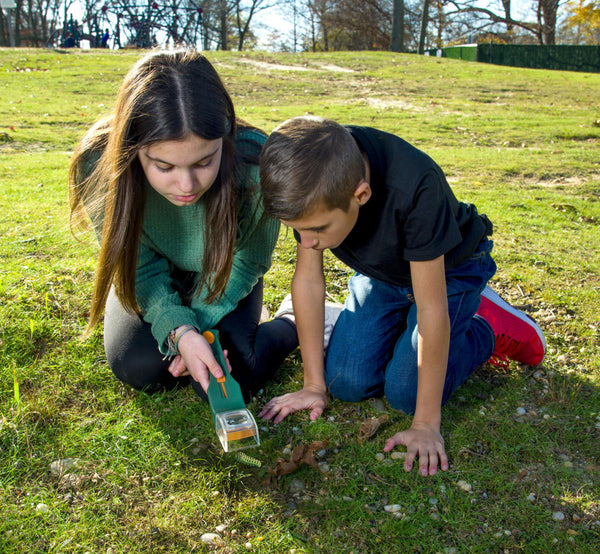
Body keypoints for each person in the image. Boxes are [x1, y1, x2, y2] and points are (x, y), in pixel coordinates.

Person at [258, 116, 546, 476]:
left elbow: (430, 308)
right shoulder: (311, 178)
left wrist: (426, 424)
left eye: (316, 230)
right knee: (346, 383)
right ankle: (394, 329)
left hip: (448, 272)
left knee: (405, 393)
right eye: (297, 231)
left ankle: (485, 327)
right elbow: (309, 281)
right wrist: (313, 385)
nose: (308, 241)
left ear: (360, 195)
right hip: (383, 273)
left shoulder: (415, 185)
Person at [68, 49, 298, 401]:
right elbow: (138, 267)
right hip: (148, 275)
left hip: (226, 272)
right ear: (133, 149)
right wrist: (179, 331)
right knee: (139, 365)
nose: (188, 186)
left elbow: (246, 260)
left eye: (204, 162)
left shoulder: (255, 163)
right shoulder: (99, 165)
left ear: (225, 136)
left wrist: (196, 327)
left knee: (236, 371)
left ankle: (291, 320)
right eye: (165, 167)